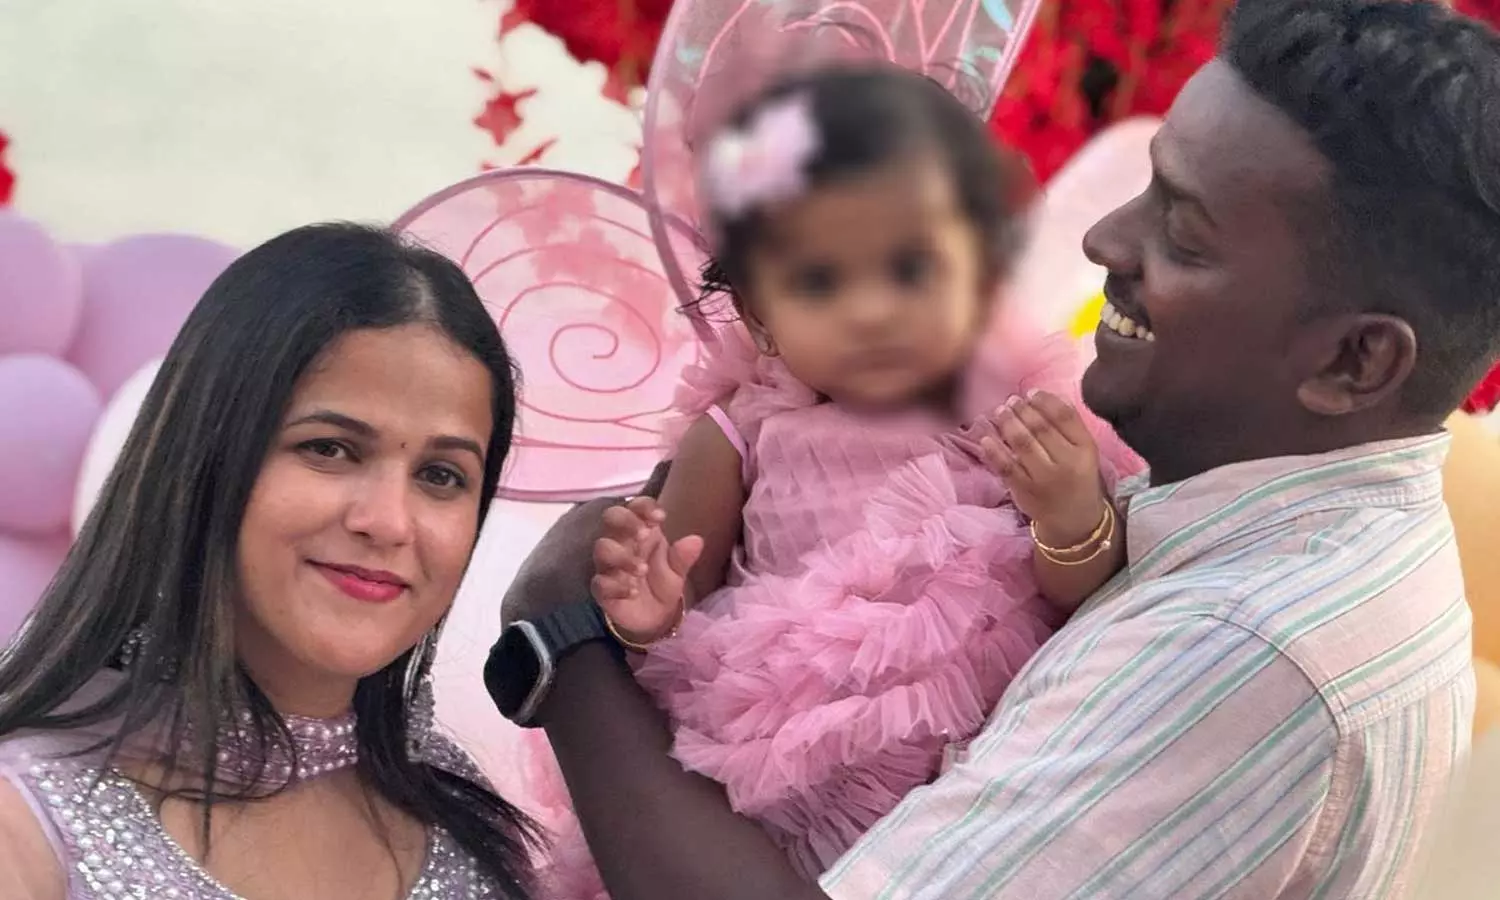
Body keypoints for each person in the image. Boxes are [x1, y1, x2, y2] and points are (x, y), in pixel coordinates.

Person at [487, 0, 1500, 897]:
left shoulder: (1237, 652)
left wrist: (559, 641)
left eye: (1184, 234)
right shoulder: (1295, 539)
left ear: (1358, 360)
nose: (1104, 238)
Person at [519, 64, 1145, 899]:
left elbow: (1079, 594)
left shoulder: (1008, 412)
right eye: (820, 281)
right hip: (769, 780)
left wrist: (1067, 514)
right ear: (760, 317)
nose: (872, 310)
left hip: (956, 780)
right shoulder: (740, 432)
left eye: (911, 268)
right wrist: (649, 612)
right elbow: (682, 604)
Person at [0, 224, 540, 899]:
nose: (388, 522)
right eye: (329, 449)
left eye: (440, 475)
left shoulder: (463, 821)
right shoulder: (27, 822)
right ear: (203, 458)